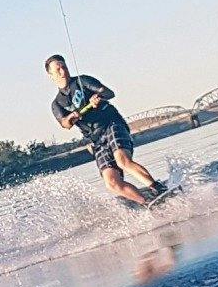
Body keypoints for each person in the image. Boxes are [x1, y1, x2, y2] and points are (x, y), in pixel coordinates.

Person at [47, 54, 166, 205]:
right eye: (58, 70)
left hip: (111, 124)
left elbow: (109, 93)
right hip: (96, 140)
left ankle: (158, 188)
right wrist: (71, 117)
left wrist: (98, 97)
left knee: (122, 161)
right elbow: (64, 123)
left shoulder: (82, 81)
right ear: (51, 75)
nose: (63, 72)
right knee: (111, 183)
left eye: (64, 67)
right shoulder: (57, 103)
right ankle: (147, 202)